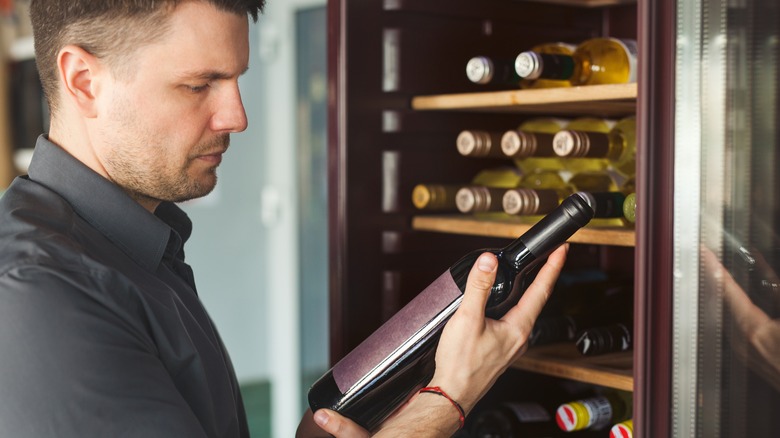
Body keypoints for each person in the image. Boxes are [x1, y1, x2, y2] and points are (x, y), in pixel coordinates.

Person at [0, 1, 568, 437]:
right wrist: (445, 402)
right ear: (84, 81)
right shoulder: (38, 294)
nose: (236, 116)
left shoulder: (131, 247)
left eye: (236, 80)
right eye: (198, 85)